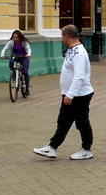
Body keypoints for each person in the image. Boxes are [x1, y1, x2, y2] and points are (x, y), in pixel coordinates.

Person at [33, 24, 94, 160]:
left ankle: (86, 149)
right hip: (71, 94)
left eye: (62, 36)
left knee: (82, 122)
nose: (62, 39)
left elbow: (79, 76)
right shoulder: (72, 49)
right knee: (64, 121)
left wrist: (70, 94)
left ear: (67, 36)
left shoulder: (78, 53)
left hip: (79, 95)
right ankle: (52, 147)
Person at [0, 29, 32, 96]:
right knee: (11, 64)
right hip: (15, 57)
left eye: (17, 37)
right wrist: (2, 55)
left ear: (20, 37)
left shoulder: (24, 42)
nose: (15, 38)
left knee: (25, 72)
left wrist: (28, 54)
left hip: (24, 57)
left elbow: (28, 48)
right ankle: (14, 76)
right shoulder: (11, 42)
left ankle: (27, 88)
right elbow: (4, 49)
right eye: (14, 37)